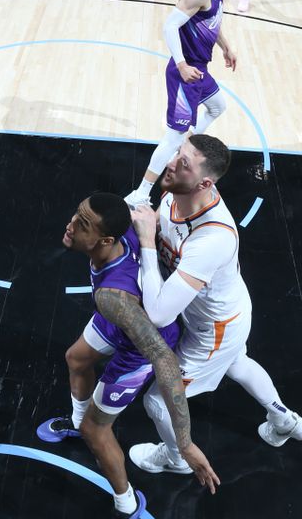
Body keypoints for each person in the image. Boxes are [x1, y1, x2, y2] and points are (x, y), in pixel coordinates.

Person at [128, 135, 302, 476]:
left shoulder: (213, 236)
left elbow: (161, 314)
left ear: (205, 182)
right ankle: (286, 421)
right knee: (237, 363)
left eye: (183, 163)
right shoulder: (180, 193)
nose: (171, 163)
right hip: (230, 314)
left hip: (214, 330)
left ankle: (176, 459)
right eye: (178, 154)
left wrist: (147, 241)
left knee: (158, 399)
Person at [38, 193, 218, 518]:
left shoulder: (112, 295)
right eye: (77, 214)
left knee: (99, 431)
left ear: (106, 239)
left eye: (84, 224)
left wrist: (186, 442)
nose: (71, 225)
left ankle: (127, 503)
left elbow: (163, 359)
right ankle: (78, 423)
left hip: (141, 348)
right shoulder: (129, 226)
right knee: (76, 359)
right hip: (124, 319)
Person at [124, 0, 240, 209]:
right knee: (173, 135)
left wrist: (226, 47)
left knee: (217, 106)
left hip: (200, 69)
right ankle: (140, 192)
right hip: (185, 73)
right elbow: (169, 27)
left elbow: (213, 22)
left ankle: (181, 143)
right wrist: (181, 65)